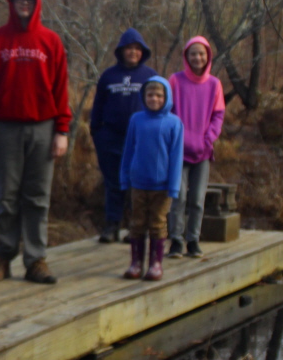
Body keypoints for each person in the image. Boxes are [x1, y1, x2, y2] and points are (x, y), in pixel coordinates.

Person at [0, 0, 71, 285]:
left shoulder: (51, 41)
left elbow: (61, 89)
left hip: (43, 127)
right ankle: (2, 257)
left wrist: (62, 130)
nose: (24, 4)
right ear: (11, 3)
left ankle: (36, 260)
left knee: (38, 197)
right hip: (5, 128)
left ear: (37, 2)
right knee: (7, 196)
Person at [89, 29, 154, 242]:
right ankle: (111, 226)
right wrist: (97, 134)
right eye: (129, 48)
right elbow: (97, 108)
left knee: (137, 183)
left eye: (137, 48)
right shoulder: (108, 76)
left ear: (141, 51)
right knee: (113, 183)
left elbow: (161, 106)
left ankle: (135, 228)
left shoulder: (150, 76)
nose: (133, 52)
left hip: (140, 139)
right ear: (121, 51)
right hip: (111, 138)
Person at [119, 76, 183, 282]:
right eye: (150, 95)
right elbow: (128, 150)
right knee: (137, 223)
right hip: (138, 182)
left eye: (158, 95)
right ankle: (136, 262)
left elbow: (176, 157)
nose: (154, 99)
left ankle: (156, 264)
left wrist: (174, 186)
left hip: (162, 186)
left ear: (166, 97)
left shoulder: (174, 123)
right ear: (143, 96)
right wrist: (124, 177)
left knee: (157, 223)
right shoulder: (136, 120)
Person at [168, 36, 226, 258]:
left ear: (208, 56)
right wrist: (175, 138)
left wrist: (208, 139)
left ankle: (193, 240)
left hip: (202, 151)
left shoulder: (214, 84)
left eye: (201, 53)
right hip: (178, 150)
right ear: (186, 56)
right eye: (193, 53)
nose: (197, 57)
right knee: (178, 197)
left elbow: (218, 115)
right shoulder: (175, 80)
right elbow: (167, 110)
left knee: (197, 199)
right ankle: (175, 240)